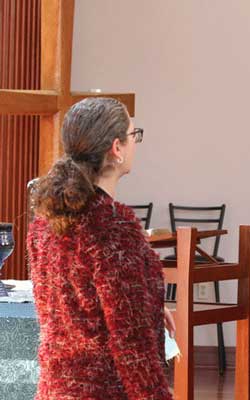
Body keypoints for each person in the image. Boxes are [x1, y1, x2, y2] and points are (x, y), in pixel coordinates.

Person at [26, 98, 172, 399]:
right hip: (103, 390)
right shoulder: (113, 227)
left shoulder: (45, 221)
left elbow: (72, 307)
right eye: (135, 135)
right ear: (116, 149)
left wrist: (149, 305)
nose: (136, 143)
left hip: (57, 388)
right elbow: (133, 346)